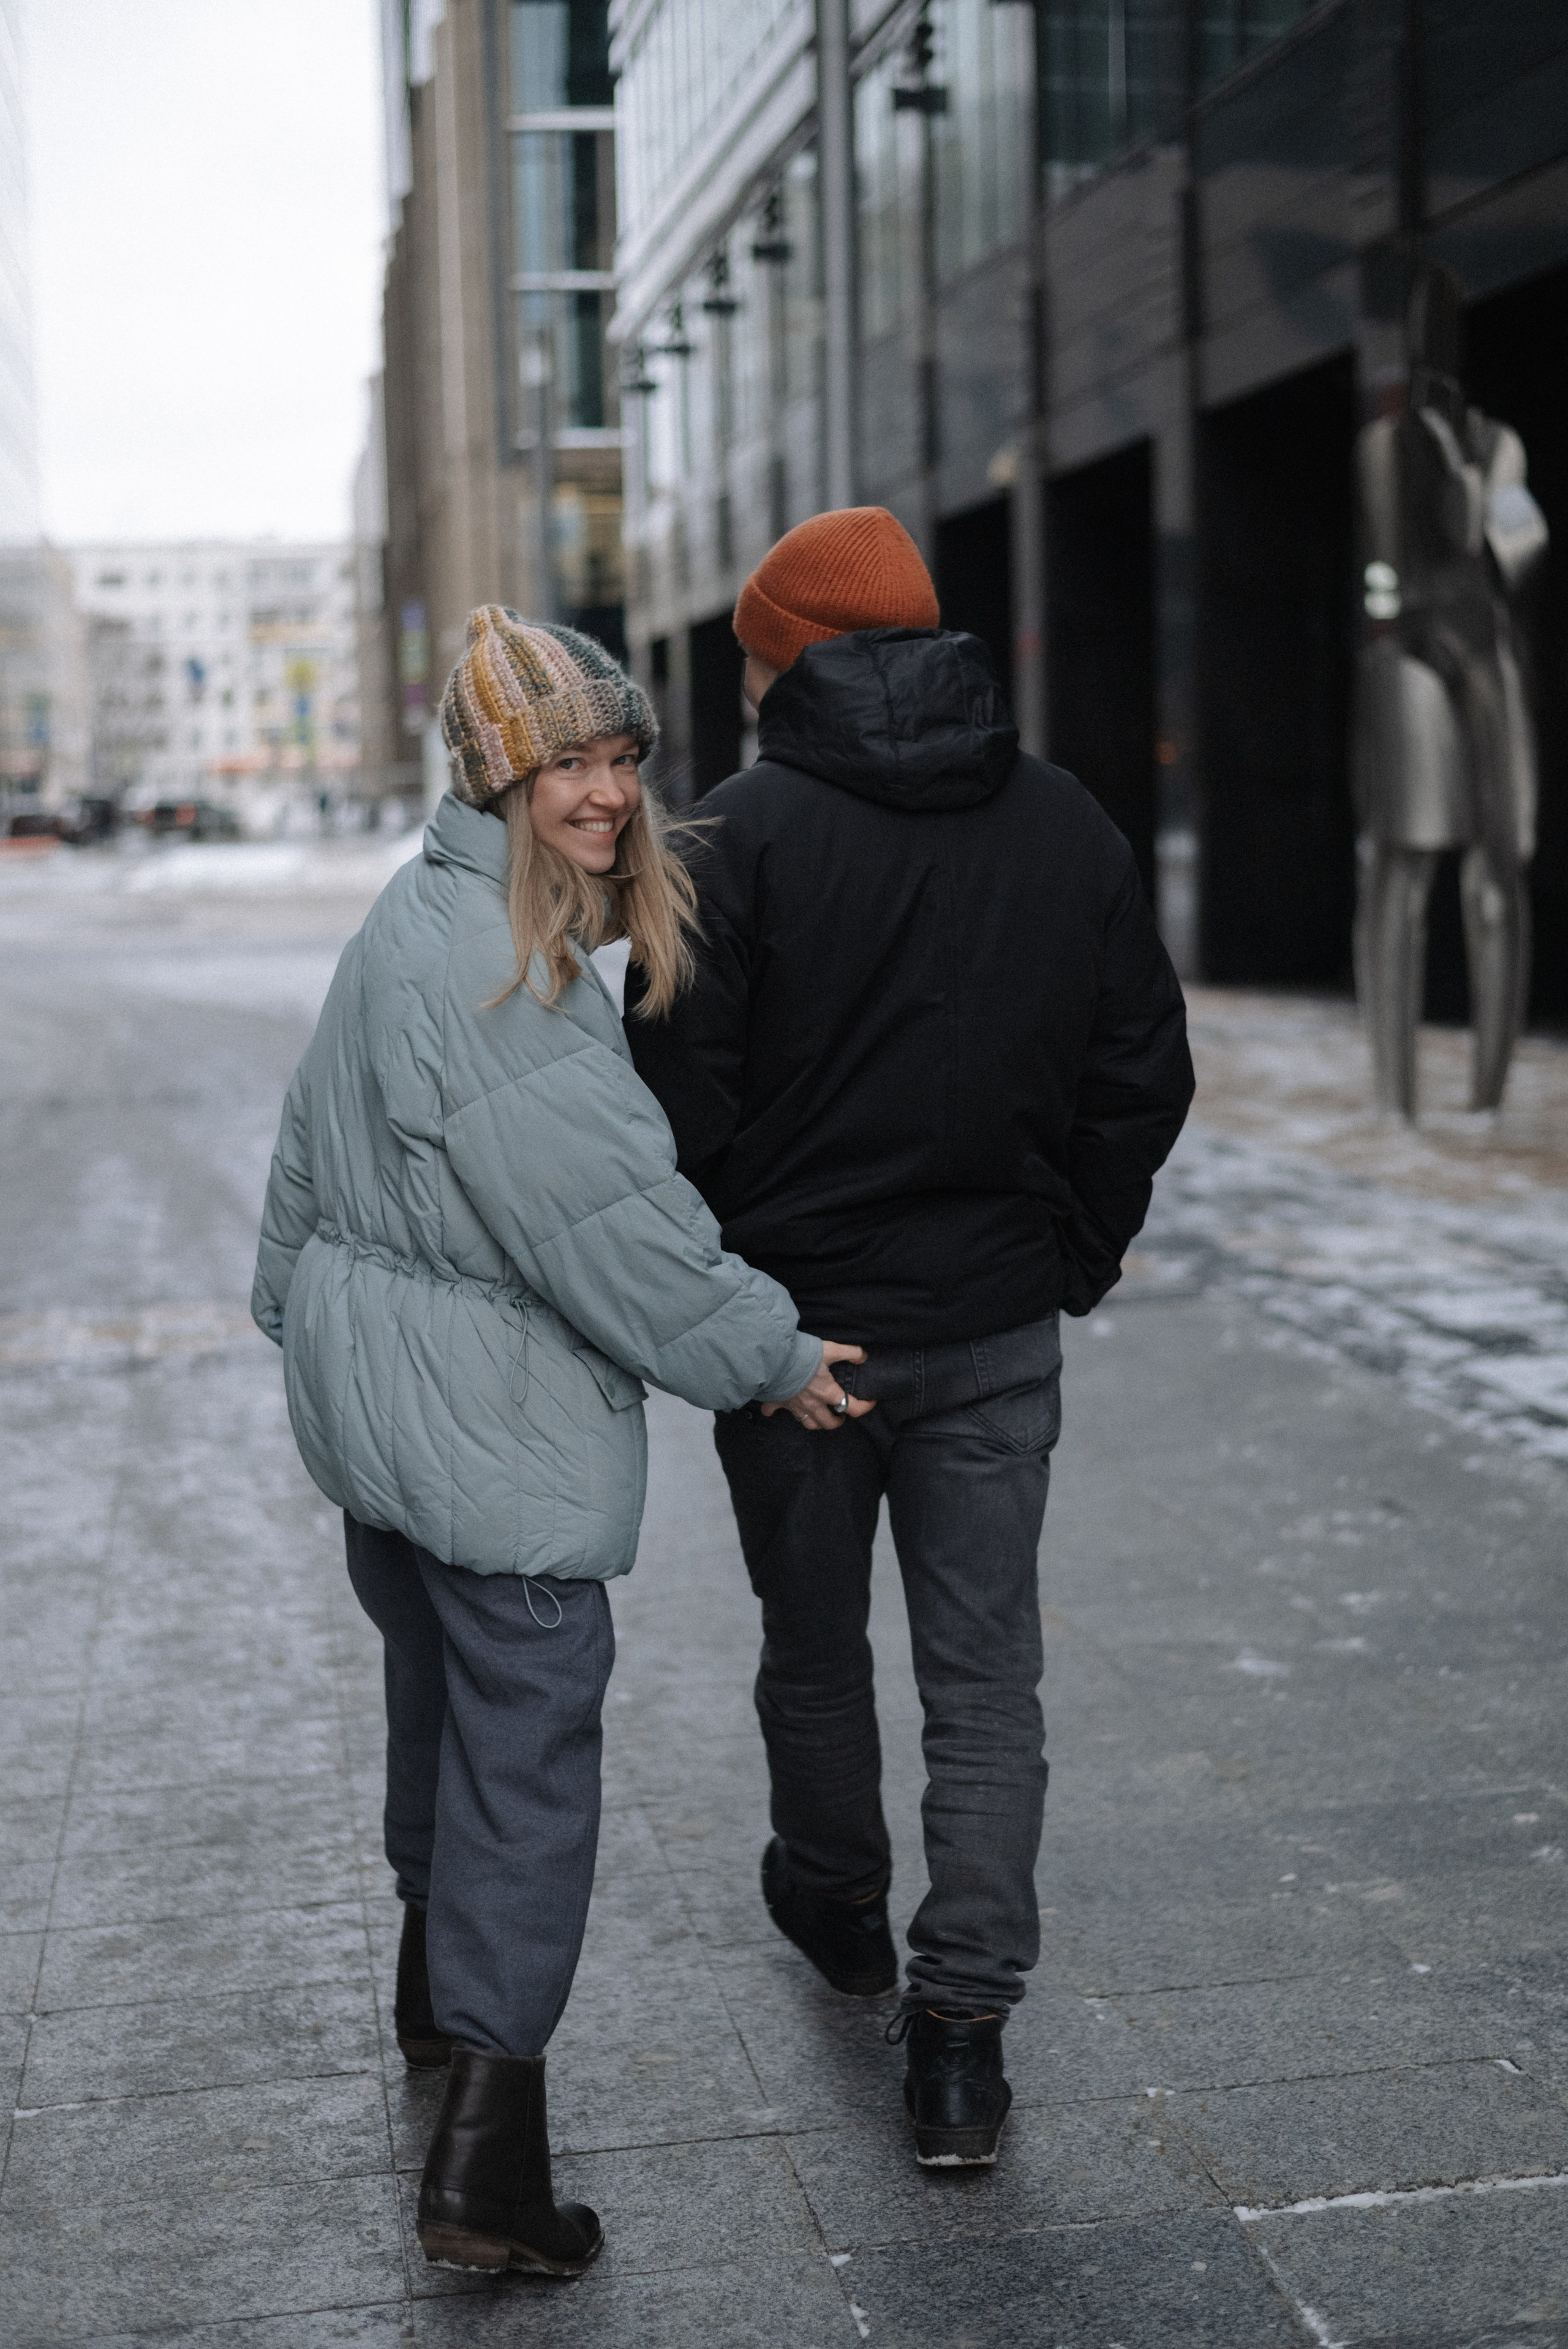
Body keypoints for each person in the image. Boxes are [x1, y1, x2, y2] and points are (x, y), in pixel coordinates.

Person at [251, 608, 869, 2275]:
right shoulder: (503, 970)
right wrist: (769, 1354)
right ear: (493, 779)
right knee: (526, 1762)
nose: (604, 793)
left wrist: (303, 1316)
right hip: (492, 1426)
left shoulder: (415, 911)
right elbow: (616, 1227)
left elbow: (304, 1153)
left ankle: (430, 1999)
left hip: (390, 1414)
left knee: (443, 1707)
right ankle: (488, 2173)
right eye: (564, 765)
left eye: (619, 758)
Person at [627, 507, 1194, 2167]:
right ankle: (960, 2042)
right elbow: (1142, 1067)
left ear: (791, 657)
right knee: (987, 1680)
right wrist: (1068, 1251)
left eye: (751, 656)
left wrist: (740, 1282)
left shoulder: (728, 840)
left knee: (814, 1649)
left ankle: (836, 1905)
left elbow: (674, 1108)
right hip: (995, 1324)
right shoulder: (1064, 818)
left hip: (798, 1346)